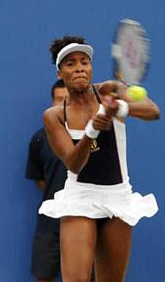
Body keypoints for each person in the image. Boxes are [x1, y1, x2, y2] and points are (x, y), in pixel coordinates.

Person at [38, 36, 160, 282]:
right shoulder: (53, 116)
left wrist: (120, 109)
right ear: (60, 73)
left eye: (84, 61)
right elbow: (73, 163)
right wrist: (93, 129)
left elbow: (152, 111)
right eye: (71, 63)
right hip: (80, 197)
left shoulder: (111, 91)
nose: (80, 67)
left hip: (119, 197)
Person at [25, 79, 68, 282]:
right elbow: (40, 180)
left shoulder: (92, 136)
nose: (63, 105)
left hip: (87, 222)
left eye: (68, 100)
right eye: (59, 100)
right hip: (50, 226)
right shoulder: (39, 139)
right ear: (52, 102)